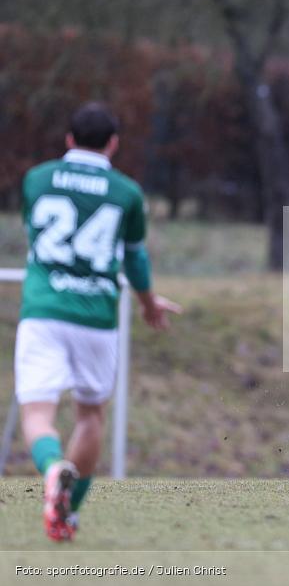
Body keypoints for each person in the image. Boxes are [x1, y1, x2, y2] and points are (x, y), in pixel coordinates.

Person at [16, 102, 181, 541]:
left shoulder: (36, 179)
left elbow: (34, 233)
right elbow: (135, 258)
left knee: (37, 412)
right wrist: (148, 304)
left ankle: (52, 469)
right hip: (97, 317)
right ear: (113, 144)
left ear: (68, 140)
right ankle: (66, 515)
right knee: (90, 416)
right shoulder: (126, 192)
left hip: (44, 310)